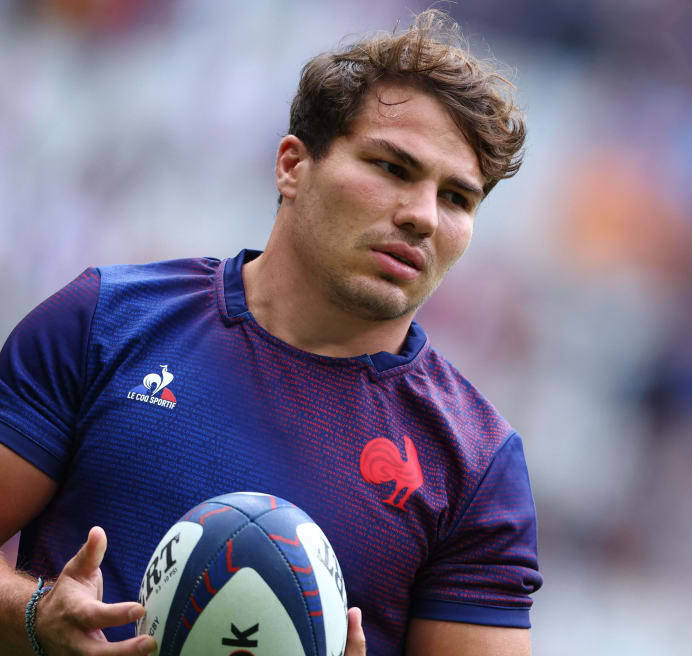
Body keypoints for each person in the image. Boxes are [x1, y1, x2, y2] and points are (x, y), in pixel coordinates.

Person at [0, 9, 542, 656]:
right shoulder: (103, 322)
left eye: (457, 198)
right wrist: (33, 614)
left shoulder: (475, 463)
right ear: (292, 165)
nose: (423, 216)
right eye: (393, 168)